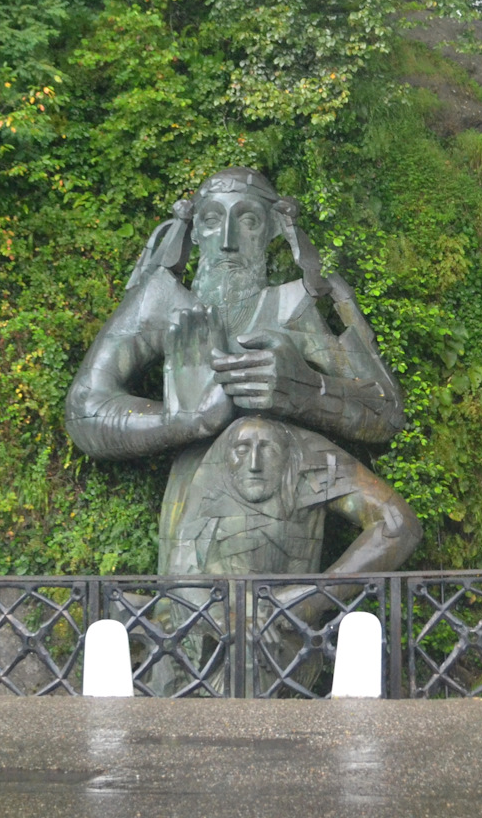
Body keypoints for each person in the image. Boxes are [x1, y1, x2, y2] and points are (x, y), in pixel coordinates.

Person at [65, 167, 418, 576]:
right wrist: (182, 421)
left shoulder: (295, 307)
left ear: (271, 229)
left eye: (247, 220)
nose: (229, 242)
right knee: (191, 623)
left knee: (281, 625)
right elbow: (83, 410)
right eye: (213, 220)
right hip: (193, 516)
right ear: (195, 231)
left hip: (287, 516)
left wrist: (307, 393)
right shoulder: (161, 302)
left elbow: (387, 412)